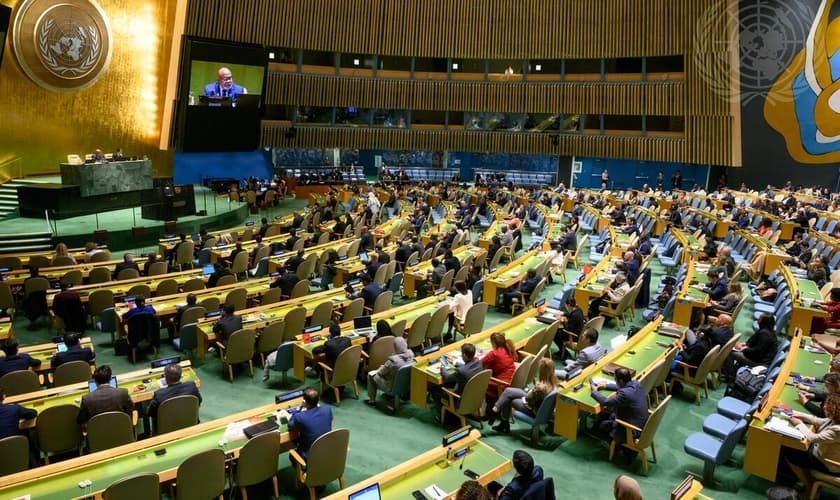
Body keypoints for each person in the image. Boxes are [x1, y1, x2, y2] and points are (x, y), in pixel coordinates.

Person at [780, 393, 840, 486]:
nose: (824, 407)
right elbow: (816, 420)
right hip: (821, 452)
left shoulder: (837, 430)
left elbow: (813, 438)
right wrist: (793, 413)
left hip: (827, 463)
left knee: (787, 450)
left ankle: (806, 483)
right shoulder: (835, 419)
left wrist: (798, 424)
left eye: (827, 405)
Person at [489, 358, 559, 433]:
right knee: (508, 391)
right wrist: (531, 391)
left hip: (533, 409)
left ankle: (503, 422)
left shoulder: (541, 387)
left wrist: (531, 391)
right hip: (539, 406)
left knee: (510, 399)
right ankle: (495, 410)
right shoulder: (555, 383)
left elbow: (529, 399)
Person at [591, 367, 648, 447]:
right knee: (611, 415)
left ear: (620, 381)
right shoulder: (636, 384)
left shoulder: (624, 394)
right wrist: (606, 386)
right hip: (641, 424)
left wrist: (594, 391)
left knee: (602, 425)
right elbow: (623, 387)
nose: (615, 381)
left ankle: (613, 444)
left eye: (615, 379)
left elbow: (605, 402)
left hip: (631, 430)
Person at [432, 343, 484, 416]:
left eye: (462, 354)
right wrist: (455, 362)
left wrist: (442, 368)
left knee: (435, 389)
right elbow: (468, 366)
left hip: (460, 401)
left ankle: (442, 416)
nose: (461, 356)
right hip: (475, 398)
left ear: (465, 355)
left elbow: (447, 377)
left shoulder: (461, 371)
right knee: (451, 384)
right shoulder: (479, 363)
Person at [724, 313, 778, 380]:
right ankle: (735, 369)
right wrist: (745, 344)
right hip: (759, 358)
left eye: (760, 318)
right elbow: (754, 343)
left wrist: (742, 349)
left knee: (729, 352)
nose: (758, 319)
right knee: (735, 349)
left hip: (759, 362)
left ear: (764, 321)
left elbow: (757, 352)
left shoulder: (765, 334)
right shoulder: (768, 331)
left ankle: (731, 375)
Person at [287, 386, 333, 461]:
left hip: (311, 459)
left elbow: (290, 425)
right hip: (327, 453)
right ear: (318, 400)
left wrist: (299, 408)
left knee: (292, 456)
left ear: (304, 401)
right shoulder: (327, 409)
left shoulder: (300, 417)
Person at [366, 336, 415, 405]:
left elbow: (380, 373)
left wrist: (380, 368)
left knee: (371, 375)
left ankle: (372, 400)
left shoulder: (393, 361)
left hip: (392, 386)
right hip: (406, 385)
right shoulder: (411, 354)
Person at [482, 332, 516, 408]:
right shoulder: (507, 349)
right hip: (512, 380)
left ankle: (488, 410)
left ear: (493, 343)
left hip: (501, 384)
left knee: (480, 380)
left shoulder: (494, 353)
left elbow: (480, 363)